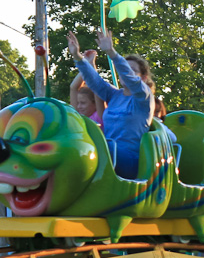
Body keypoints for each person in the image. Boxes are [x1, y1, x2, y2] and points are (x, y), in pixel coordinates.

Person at [67, 30, 156, 179]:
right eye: (123, 69)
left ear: (144, 78)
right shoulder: (114, 95)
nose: (125, 73)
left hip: (130, 161)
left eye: (132, 70)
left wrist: (111, 52)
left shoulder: (144, 97)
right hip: (108, 154)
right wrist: (78, 57)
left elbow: (132, 80)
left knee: (92, 149)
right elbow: (94, 81)